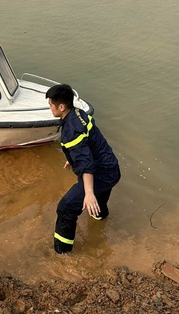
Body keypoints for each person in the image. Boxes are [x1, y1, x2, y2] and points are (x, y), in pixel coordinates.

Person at [45, 83, 121, 254]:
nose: (49, 107)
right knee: (98, 205)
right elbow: (88, 144)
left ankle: (62, 253)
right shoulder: (78, 113)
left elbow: (86, 164)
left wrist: (88, 192)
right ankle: (101, 225)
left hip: (101, 173)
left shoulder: (71, 130)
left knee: (66, 207)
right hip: (111, 168)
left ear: (61, 107)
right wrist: (73, 159)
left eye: (51, 104)